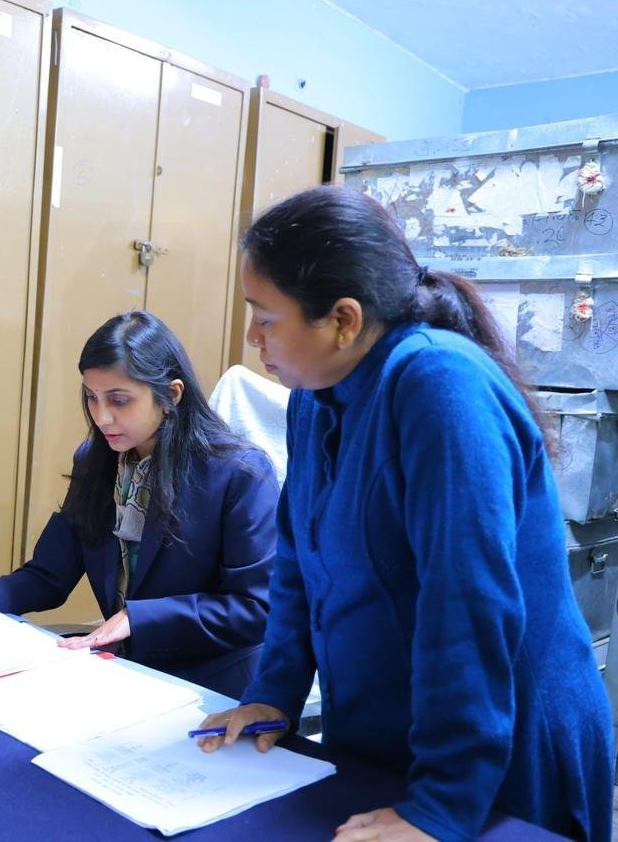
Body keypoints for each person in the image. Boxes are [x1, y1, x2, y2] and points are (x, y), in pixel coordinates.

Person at [197, 186, 612, 841]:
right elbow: (299, 565)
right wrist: (273, 692)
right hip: (386, 730)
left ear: (343, 320)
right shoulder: (314, 397)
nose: (253, 338)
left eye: (265, 317)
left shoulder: (438, 384)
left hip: (501, 748)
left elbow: (466, 601)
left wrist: (443, 803)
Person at [0, 311, 278, 698]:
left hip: (214, 687)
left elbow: (255, 608)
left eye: (119, 400)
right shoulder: (95, 459)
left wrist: (137, 618)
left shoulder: (239, 472)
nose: (102, 417)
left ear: (171, 395)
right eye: (91, 397)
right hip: (127, 673)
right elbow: (49, 575)